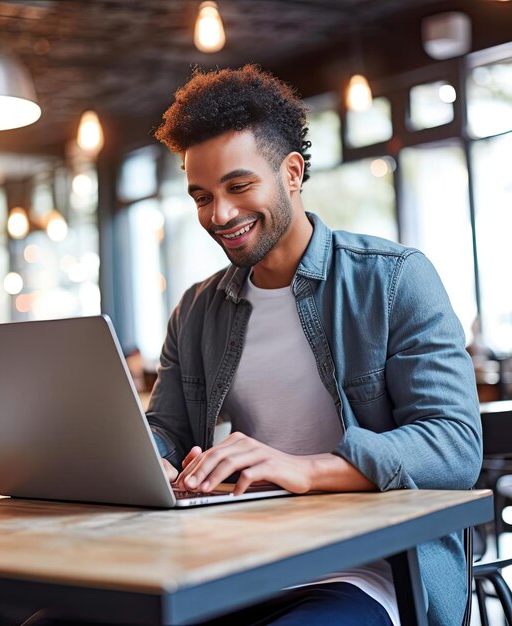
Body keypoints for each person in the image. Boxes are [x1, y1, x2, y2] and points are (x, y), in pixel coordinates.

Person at [148, 65, 482, 626]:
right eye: (202, 196)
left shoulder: (394, 278)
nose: (219, 215)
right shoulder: (195, 310)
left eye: (238, 186)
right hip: (225, 564)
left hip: (365, 570)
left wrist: (305, 469)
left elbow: (453, 445)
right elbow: (167, 428)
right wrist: (150, 461)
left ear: (293, 173)